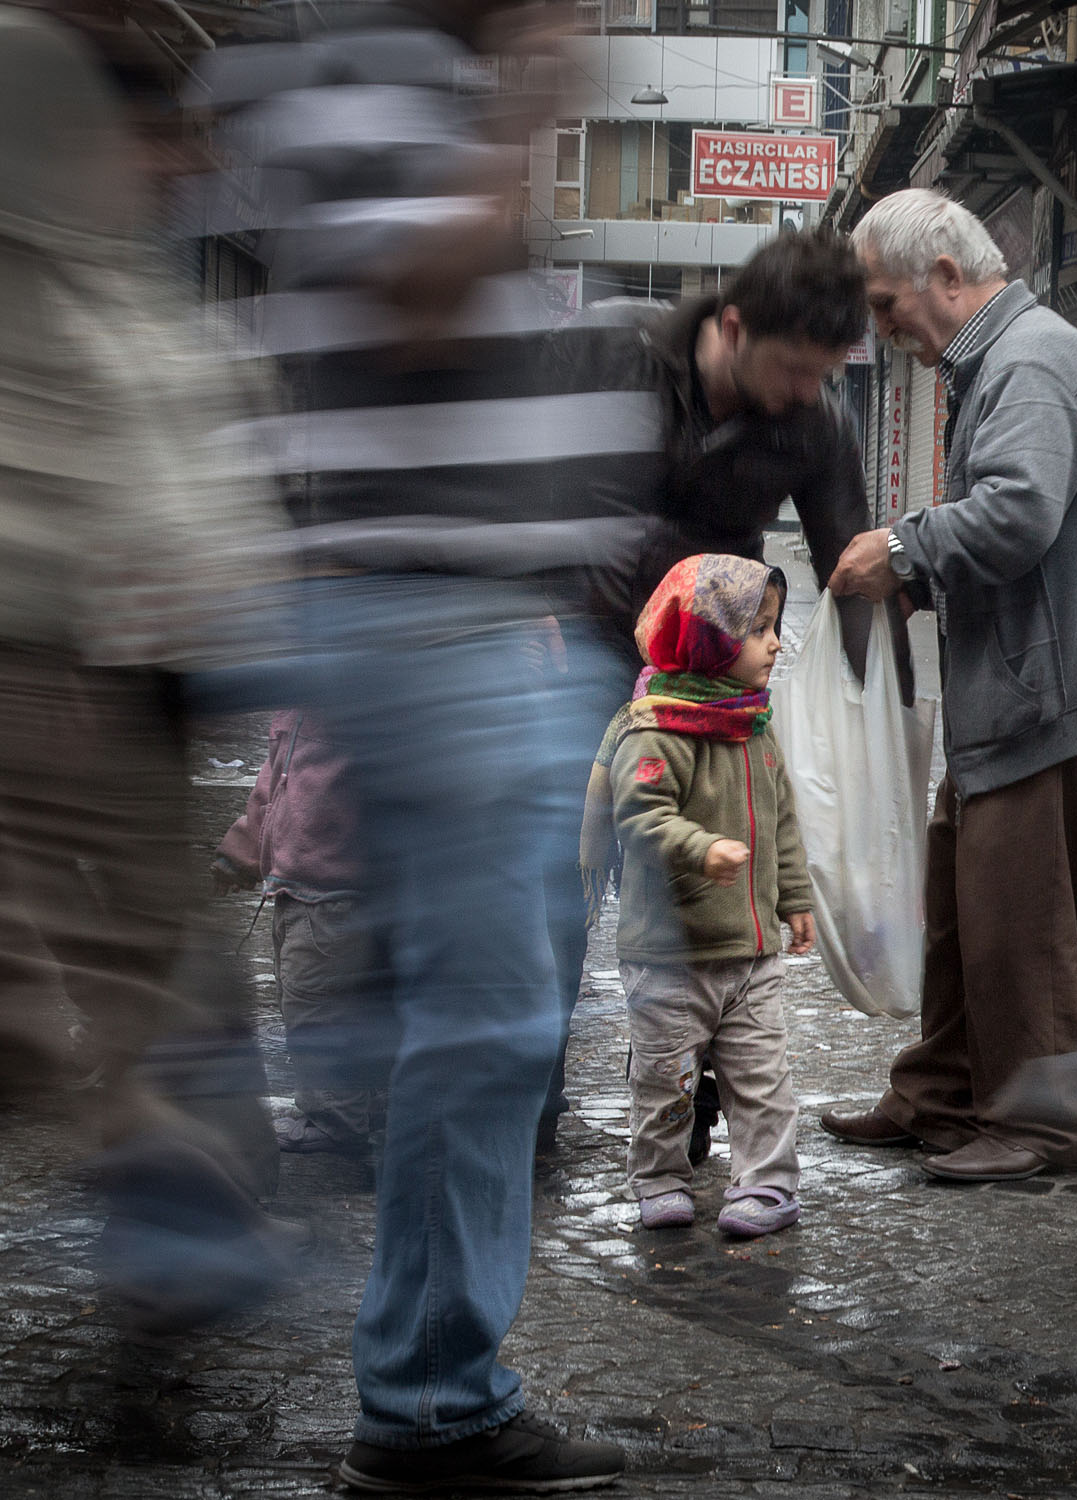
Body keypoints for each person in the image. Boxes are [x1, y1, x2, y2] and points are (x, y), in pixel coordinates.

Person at [193, 3, 627, 1488]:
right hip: (425, 623)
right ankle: (429, 1397)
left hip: (460, 622)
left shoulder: (405, 78)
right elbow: (411, 302)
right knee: (488, 1017)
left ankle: (426, 1377)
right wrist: (531, 105)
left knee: (475, 1016)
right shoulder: (370, 77)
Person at [0, 1, 301, 1335]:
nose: (183, 168)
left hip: (135, 686)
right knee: (102, 991)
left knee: (155, 977)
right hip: (59, 673)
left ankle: (168, 1219)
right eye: (163, 139)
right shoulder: (45, 281)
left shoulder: (113, 279)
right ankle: (160, 1190)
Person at [539, 231, 906, 1161]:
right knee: (547, 904)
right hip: (565, 666)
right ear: (733, 326)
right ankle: (523, 1120)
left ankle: (687, 1120)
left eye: (823, 375)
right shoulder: (609, 352)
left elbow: (847, 566)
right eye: (793, 370)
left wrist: (870, 726)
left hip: (700, 696)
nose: (804, 394)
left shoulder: (813, 426)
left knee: (700, 913)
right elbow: (513, 485)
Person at [822, 188, 1077, 1182]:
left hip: (1053, 700)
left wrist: (901, 548)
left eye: (886, 305)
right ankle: (941, 1093)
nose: (882, 329)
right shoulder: (1000, 360)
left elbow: (1018, 515)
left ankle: (1044, 1129)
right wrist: (920, 575)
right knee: (964, 908)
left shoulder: (1031, 359)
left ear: (945, 276)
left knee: (1019, 924)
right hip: (1014, 694)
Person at [585, 555, 813, 1237]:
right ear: (709, 640)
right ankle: (659, 1176)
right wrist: (700, 847)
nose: (776, 643)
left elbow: (782, 822)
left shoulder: (754, 730)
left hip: (749, 954)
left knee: (762, 1082)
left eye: (775, 628)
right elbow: (642, 817)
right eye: (760, 629)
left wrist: (794, 897)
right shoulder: (653, 729)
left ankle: (768, 1186)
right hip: (670, 959)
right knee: (666, 1084)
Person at [214, 711, 384, 1157]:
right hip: (298, 886)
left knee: (318, 1006)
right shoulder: (296, 711)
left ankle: (335, 1116)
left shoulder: (358, 704)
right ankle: (360, 1106)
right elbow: (273, 785)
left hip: (334, 889)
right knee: (317, 1000)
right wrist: (243, 850)